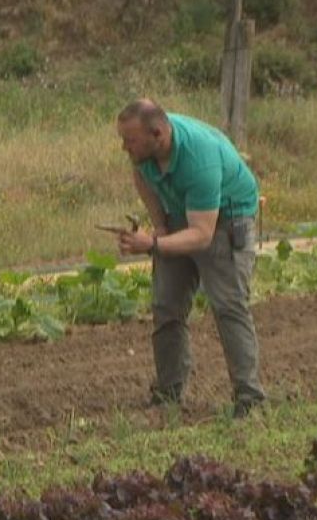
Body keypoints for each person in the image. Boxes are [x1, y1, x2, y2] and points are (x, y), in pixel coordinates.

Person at [114, 99, 265, 417]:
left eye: (130, 140)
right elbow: (141, 178)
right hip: (183, 214)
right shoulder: (145, 152)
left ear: (157, 134)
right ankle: (169, 393)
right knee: (166, 305)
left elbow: (202, 235)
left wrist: (153, 245)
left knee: (228, 305)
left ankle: (250, 399)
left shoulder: (200, 157)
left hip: (225, 218)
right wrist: (159, 226)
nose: (124, 147)